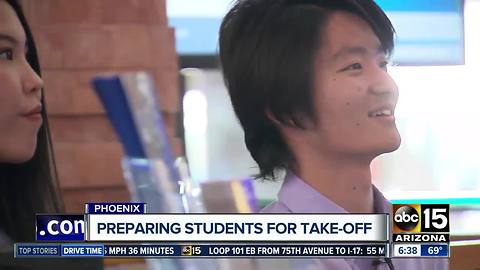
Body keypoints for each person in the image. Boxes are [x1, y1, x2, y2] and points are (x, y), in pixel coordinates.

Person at [219, 0, 447, 269]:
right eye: (354, 66)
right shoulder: (260, 254)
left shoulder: (417, 231)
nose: (387, 85)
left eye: (382, 63)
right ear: (284, 106)